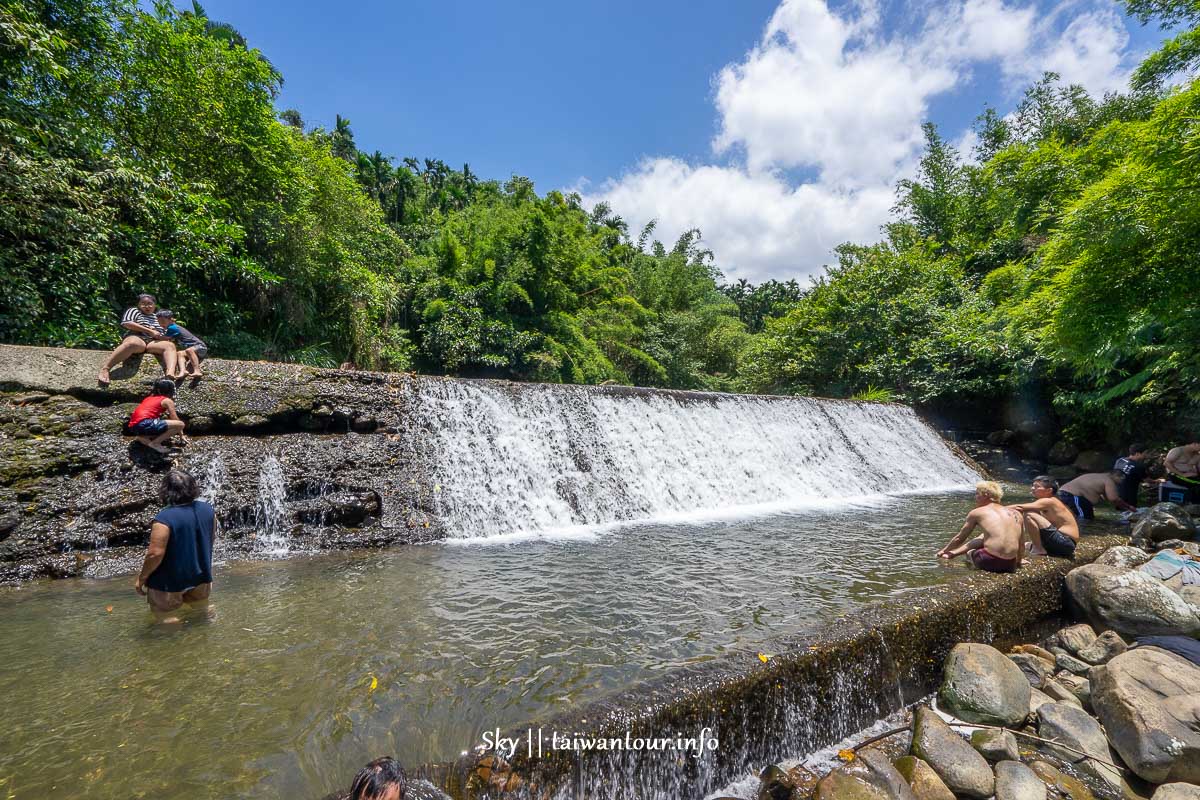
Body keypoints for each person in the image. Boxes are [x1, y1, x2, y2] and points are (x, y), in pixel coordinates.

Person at [134, 470, 216, 623]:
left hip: (169, 582)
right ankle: (205, 641)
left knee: (167, 617)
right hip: (201, 576)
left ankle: (173, 644)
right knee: (202, 610)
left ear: (166, 491)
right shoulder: (208, 510)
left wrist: (142, 578)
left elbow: (155, 554)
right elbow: (210, 539)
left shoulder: (164, 518)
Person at [937, 481, 1025, 573]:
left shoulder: (977, 512)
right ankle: (952, 554)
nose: (975, 497)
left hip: (988, 561)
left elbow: (959, 538)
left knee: (969, 553)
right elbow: (1021, 544)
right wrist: (1017, 563)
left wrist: (944, 550)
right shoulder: (1017, 514)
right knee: (984, 536)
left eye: (977, 494)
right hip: (1009, 565)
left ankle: (958, 561)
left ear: (985, 495)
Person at [97, 294, 179, 386]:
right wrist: (149, 330)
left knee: (170, 346)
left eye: (149, 304)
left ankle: (170, 373)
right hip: (137, 336)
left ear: (154, 305)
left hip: (153, 341)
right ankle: (106, 369)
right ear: (138, 305)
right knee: (131, 344)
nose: (147, 306)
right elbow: (126, 323)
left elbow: (168, 331)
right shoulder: (134, 311)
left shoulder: (158, 317)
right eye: (143, 304)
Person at [1011, 475, 1080, 559]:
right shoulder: (1052, 501)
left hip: (1065, 542)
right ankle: (1038, 546)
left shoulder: (1048, 501)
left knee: (1029, 514)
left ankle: (1038, 549)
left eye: (1037, 486)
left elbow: (1020, 507)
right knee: (1026, 544)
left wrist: (998, 508)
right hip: (1064, 544)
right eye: (1033, 486)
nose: (1033, 488)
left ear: (1049, 490)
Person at [128, 378, 187, 454]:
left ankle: (143, 438)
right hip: (144, 423)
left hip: (134, 426)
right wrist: (181, 435)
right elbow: (175, 419)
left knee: (163, 426)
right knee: (180, 424)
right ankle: (155, 443)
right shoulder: (167, 400)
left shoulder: (148, 398)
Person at [1058, 471, 1137, 519]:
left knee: (1086, 517)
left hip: (1064, 494)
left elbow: (1109, 498)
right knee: (1083, 519)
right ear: (1117, 476)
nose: (1121, 483)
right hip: (1072, 496)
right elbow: (1114, 498)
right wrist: (1129, 507)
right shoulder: (1109, 480)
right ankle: (1082, 536)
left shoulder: (1100, 476)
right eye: (1121, 480)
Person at [154, 309, 208, 379]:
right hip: (193, 349)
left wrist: (155, 335)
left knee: (189, 350)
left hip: (200, 347)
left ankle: (197, 371)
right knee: (179, 353)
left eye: (163, 321)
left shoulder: (172, 328)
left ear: (171, 319)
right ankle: (183, 371)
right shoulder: (171, 327)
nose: (161, 324)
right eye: (159, 322)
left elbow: (166, 338)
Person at [1113, 444, 1151, 508]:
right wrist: (1157, 481)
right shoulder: (1139, 466)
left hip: (1116, 495)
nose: (1146, 455)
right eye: (1145, 453)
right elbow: (1147, 480)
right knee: (1130, 515)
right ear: (1137, 454)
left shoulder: (1120, 460)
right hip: (1129, 497)